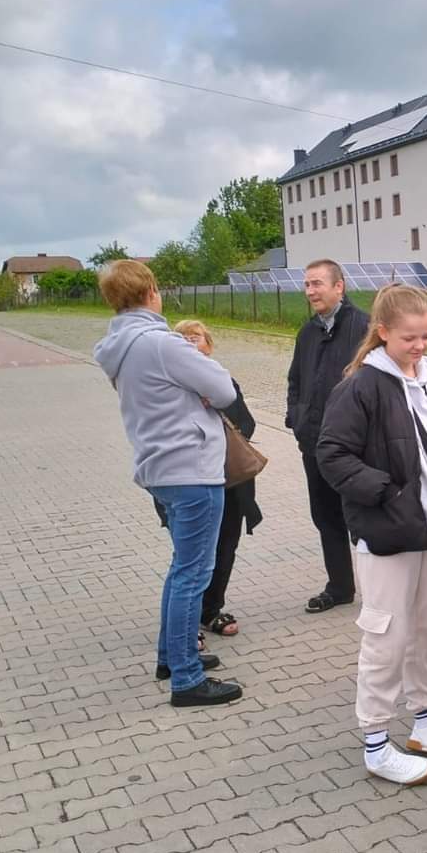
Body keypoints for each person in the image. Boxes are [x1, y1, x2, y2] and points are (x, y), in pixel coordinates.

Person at [316, 284, 427, 786]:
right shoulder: (360, 386)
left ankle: (425, 719)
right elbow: (332, 454)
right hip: (386, 530)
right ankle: (377, 743)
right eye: (410, 337)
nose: (420, 345)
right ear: (383, 332)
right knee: (386, 634)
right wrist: (386, 492)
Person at [93, 261, 243, 708]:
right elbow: (224, 389)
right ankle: (187, 678)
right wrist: (200, 393)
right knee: (193, 574)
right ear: (150, 292)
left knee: (182, 567)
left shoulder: (118, 346)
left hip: (160, 466)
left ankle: (171, 657)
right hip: (191, 467)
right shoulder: (161, 343)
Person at [286, 260, 369, 613]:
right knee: (326, 517)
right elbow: (295, 380)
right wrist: (297, 418)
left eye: (317, 283)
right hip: (315, 443)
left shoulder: (364, 328)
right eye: (307, 285)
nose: (310, 291)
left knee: (363, 519)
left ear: (339, 286)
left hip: (355, 447)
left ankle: (381, 590)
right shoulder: (307, 333)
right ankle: (340, 587)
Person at [173, 321, 262, 638]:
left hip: (229, 480)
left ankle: (211, 610)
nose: (189, 342)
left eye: (195, 337)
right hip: (189, 479)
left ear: (208, 345)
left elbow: (247, 424)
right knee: (192, 553)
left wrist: (221, 411)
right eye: (182, 338)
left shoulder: (224, 382)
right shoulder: (171, 387)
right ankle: (186, 622)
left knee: (225, 547)